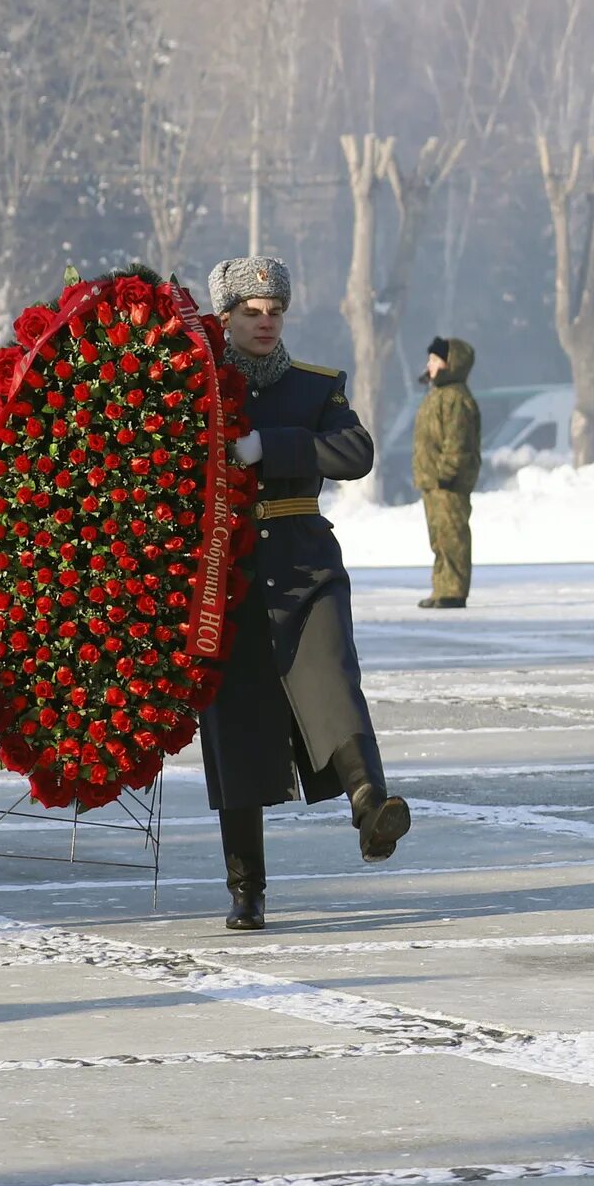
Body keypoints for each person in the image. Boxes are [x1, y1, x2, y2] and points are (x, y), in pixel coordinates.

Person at [195, 257, 412, 930]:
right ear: (224, 319)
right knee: (237, 726)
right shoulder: (196, 390)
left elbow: (354, 453)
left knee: (329, 681)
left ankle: (371, 805)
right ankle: (245, 887)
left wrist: (275, 446)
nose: (265, 324)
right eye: (251, 313)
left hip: (302, 559)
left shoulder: (315, 386)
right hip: (224, 573)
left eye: (275, 312)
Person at [411, 336, 479, 610]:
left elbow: (457, 440)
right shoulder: (437, 395)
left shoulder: (456, 398)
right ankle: (442, 587)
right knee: (439, 538)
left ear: (451, 364)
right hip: (433, 482)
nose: (430, 365)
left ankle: (453, 590)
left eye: (435, 360)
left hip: (448, 482)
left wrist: (447, 473)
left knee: (452, 536)